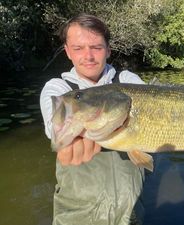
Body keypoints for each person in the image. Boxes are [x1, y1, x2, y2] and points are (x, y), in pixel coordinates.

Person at [40, 14, 145, 225]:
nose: (88, 56)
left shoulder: (127, 80)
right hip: (77, 215)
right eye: (78, 48)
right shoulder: (59, 90)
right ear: (68, 51)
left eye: (96, 47)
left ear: (108, 50)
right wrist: (67, 138)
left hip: (130, 210)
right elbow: (55, 126)